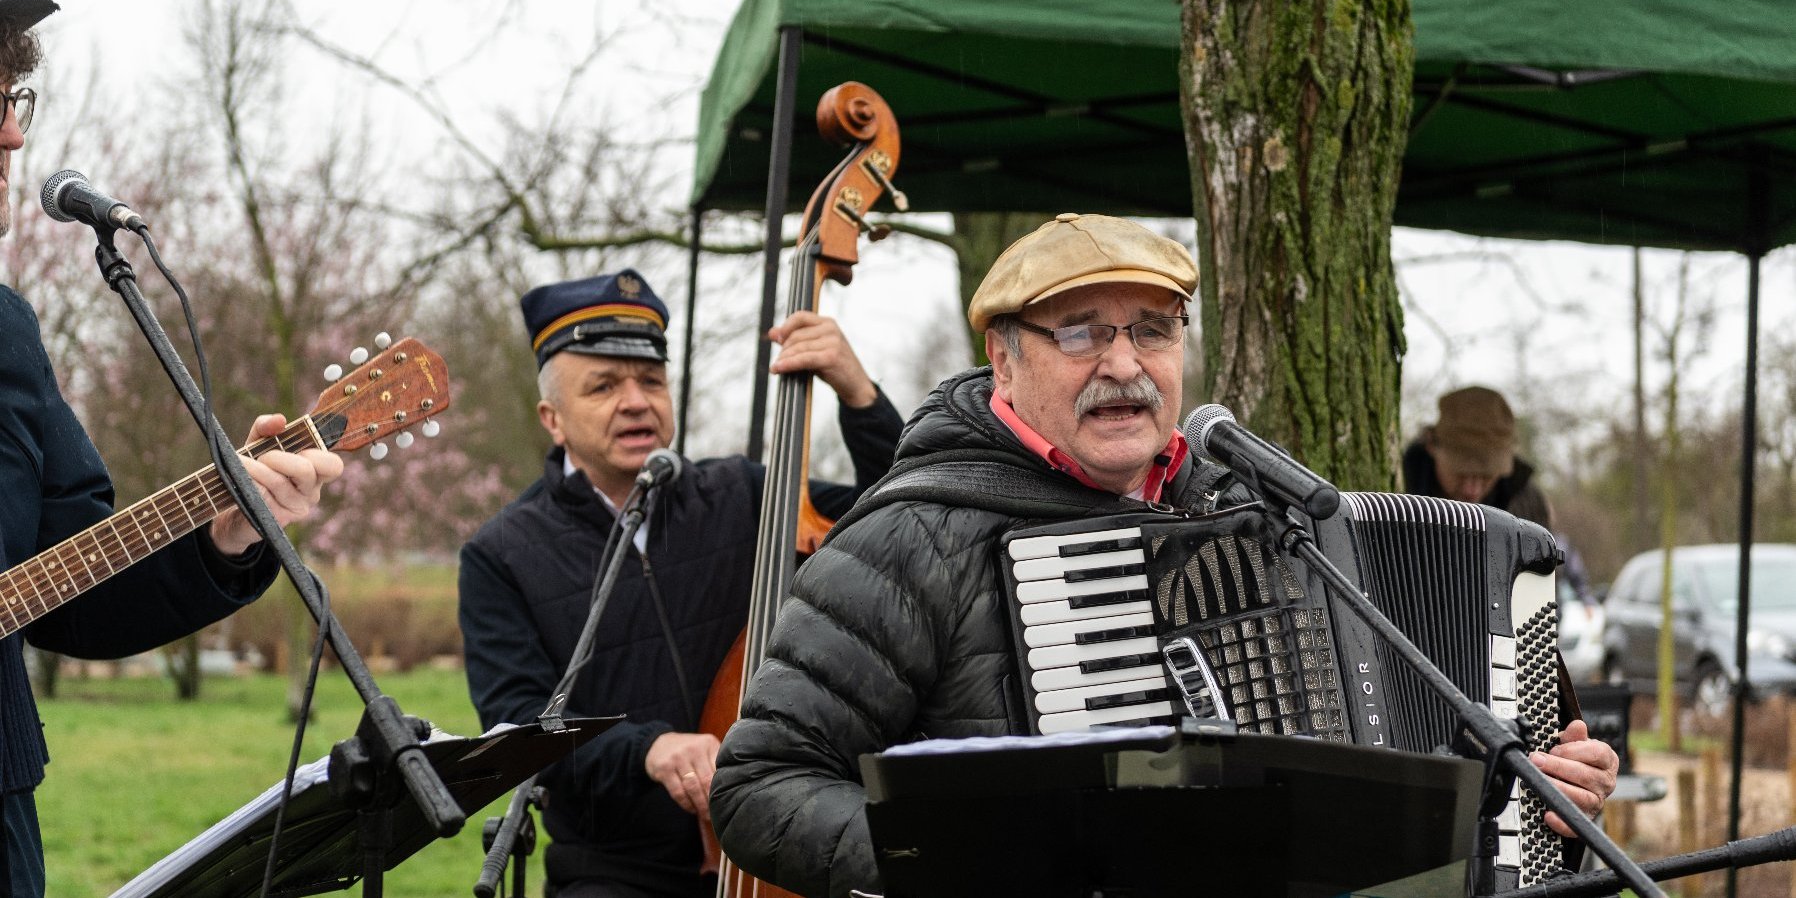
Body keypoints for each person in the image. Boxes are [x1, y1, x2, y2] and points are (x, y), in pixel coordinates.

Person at [710, 212, 1620, 898]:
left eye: (1154, 327)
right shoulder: (911, 537)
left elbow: (1375, 767)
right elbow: (757, 786)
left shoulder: (1256, 519)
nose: (1125, 362)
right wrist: (980, 863)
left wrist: (1534, 794)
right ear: (1004, 359)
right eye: (1081, 331)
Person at [0, 0, 343, 896]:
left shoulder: (6, 335)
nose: (11, 137)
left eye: (13, 99)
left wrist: (228, 531)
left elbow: (78, 589)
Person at [458, 269, 904, 898]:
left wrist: (859, 396)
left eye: (650, 380)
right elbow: (518, 730)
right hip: (615, 872)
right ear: (552, 419)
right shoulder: (499, 554)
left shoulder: (748, 495)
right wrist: (647, 750)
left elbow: (903, 513)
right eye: (604, 386)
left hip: (781, 852)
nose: (636, 400)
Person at [1402, 385, 1552, 527]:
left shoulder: (1527, 504)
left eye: (1486, 477)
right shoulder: (1399, 487)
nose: (1471, 491)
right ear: (1431, 445)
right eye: (1461, 474)